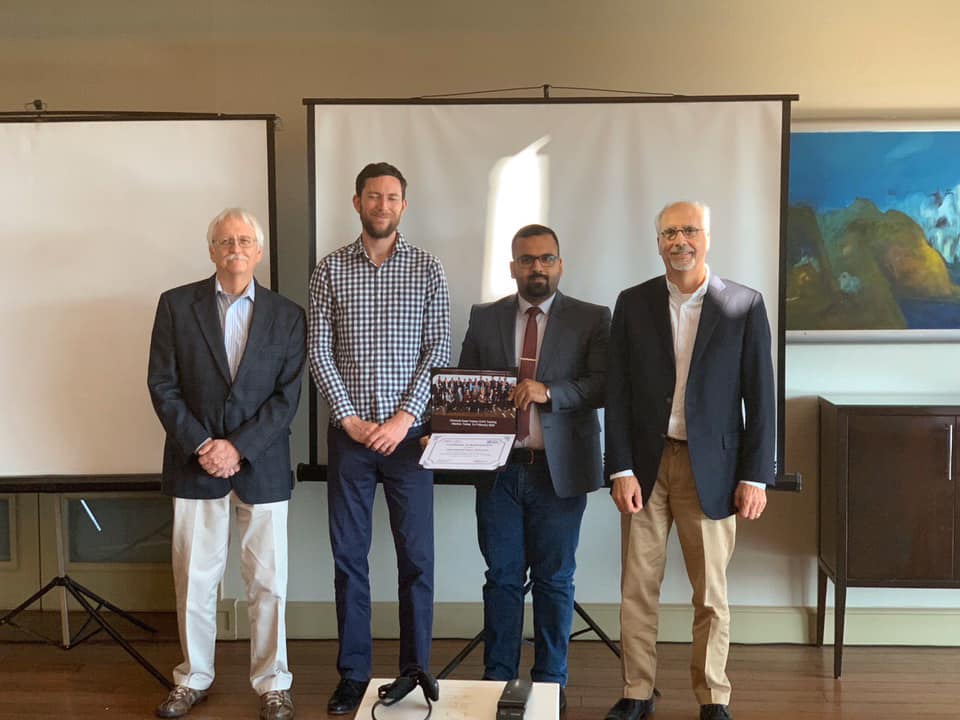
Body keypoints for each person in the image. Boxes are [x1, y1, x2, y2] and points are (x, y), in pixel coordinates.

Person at [603, 201, 774, 720]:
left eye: (690, 230)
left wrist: (755, 475)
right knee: (637, 590)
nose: (680, 241)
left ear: (708, 238)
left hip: (714, 471)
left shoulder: (744, 304)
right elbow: (618, 392)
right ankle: (637, 692)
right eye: (670, 232)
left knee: (711, 596)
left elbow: (760, 398)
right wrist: (620, 468)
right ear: (658, 243)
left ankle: (713, 697)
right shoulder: (633, 303)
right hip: (646, 468)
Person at [147, 208, 306, 720]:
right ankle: (192, 677)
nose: (235, 248)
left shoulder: (288, 315)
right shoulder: (176, 305)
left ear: (258, 251)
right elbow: (163, 385)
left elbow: (286, 398)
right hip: (194, 464)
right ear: (211, 250)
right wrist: (203, 445)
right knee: (195, 580)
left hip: (263, 464)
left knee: (268, 583)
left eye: (244, 240)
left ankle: (273, 684)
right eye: (225, 240)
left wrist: (237, 447)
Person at [308, 162, 451, 715]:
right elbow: (318, 350)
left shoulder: (427, 268)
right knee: (349, 558)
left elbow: (438, 349)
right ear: (357, 202)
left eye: (392, 197)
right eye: (373, 196)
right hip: (349, 439)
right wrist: (350, 419)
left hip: (410, 440)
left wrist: (402, 419)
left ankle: (415, 668)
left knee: (417, 559)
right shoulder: (329, 270)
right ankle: (353, 673)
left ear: (403, 206)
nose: (382, 205)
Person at [458, 224, 611, 712]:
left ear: (560, 265)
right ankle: (497, 680)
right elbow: (466, 387)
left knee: (554, 580)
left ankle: (549, 684)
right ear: (513, 267)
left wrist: (550, 392)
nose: (537, 267)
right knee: (502, 578)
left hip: (558, 473)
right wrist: (444, 432)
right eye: (527, 260)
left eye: (546, 258)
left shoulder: (592, 318)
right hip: (499, 471)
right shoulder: (484, 318)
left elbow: (603, 385)